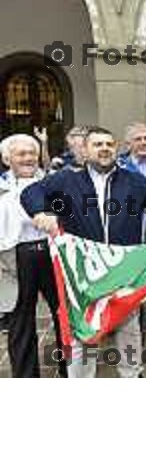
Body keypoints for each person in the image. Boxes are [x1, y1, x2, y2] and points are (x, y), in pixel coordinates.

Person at [21, 126, 146, 378]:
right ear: (85, 150)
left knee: (128, 330)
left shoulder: (132, 181)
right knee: (83, 334)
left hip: (122, 271)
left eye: (109, 144)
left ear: (116, 149)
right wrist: (41, 212)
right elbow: (31, 192)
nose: (105, 148)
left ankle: (132, 375)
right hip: (84, 275)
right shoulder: (67, 180)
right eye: (98, 144)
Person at [0, 134, 67, 377]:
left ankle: (67, 368)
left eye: (32, 153)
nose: (28, 158)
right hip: (16, 257)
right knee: (20, 321)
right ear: (8, 159)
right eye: (21, 154)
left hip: (53, 254)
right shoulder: (1, 188)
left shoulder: (53, 183)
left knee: (64, 315)